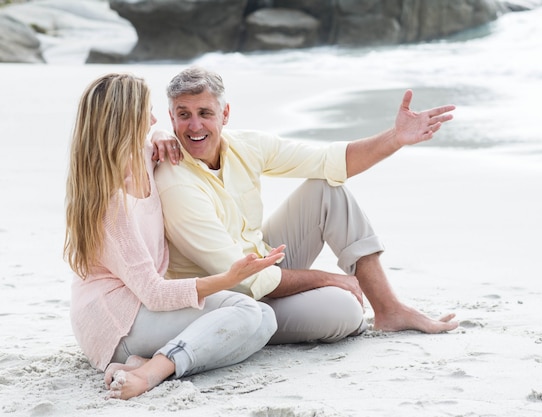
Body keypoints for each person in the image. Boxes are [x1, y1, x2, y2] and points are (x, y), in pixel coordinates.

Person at [154, 66, 458, 345]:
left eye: (205, 112)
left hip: (260, 263)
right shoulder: (176, 183)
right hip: (227, 301)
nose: (194, 126)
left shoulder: (245, 146)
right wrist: (328, 278)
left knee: (326, 188)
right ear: (172, 118)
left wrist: (396, 138)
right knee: (346, 312)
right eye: (184, 115)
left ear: (225, 114)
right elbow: (246, 281)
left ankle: (390, 310)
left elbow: (330, 161)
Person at [64, 73, 285, 400]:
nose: (153, 119)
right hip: (116, 324)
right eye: (145, 114)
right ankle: (152, 372)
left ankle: (148, 362)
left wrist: (164, 134)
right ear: (125, 122)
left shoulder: (143, 156)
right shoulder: (112, 205)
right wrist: (229, 277)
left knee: (264, 318)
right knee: (246, 311)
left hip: (139, 308)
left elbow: (158, 135)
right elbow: (153, 293)